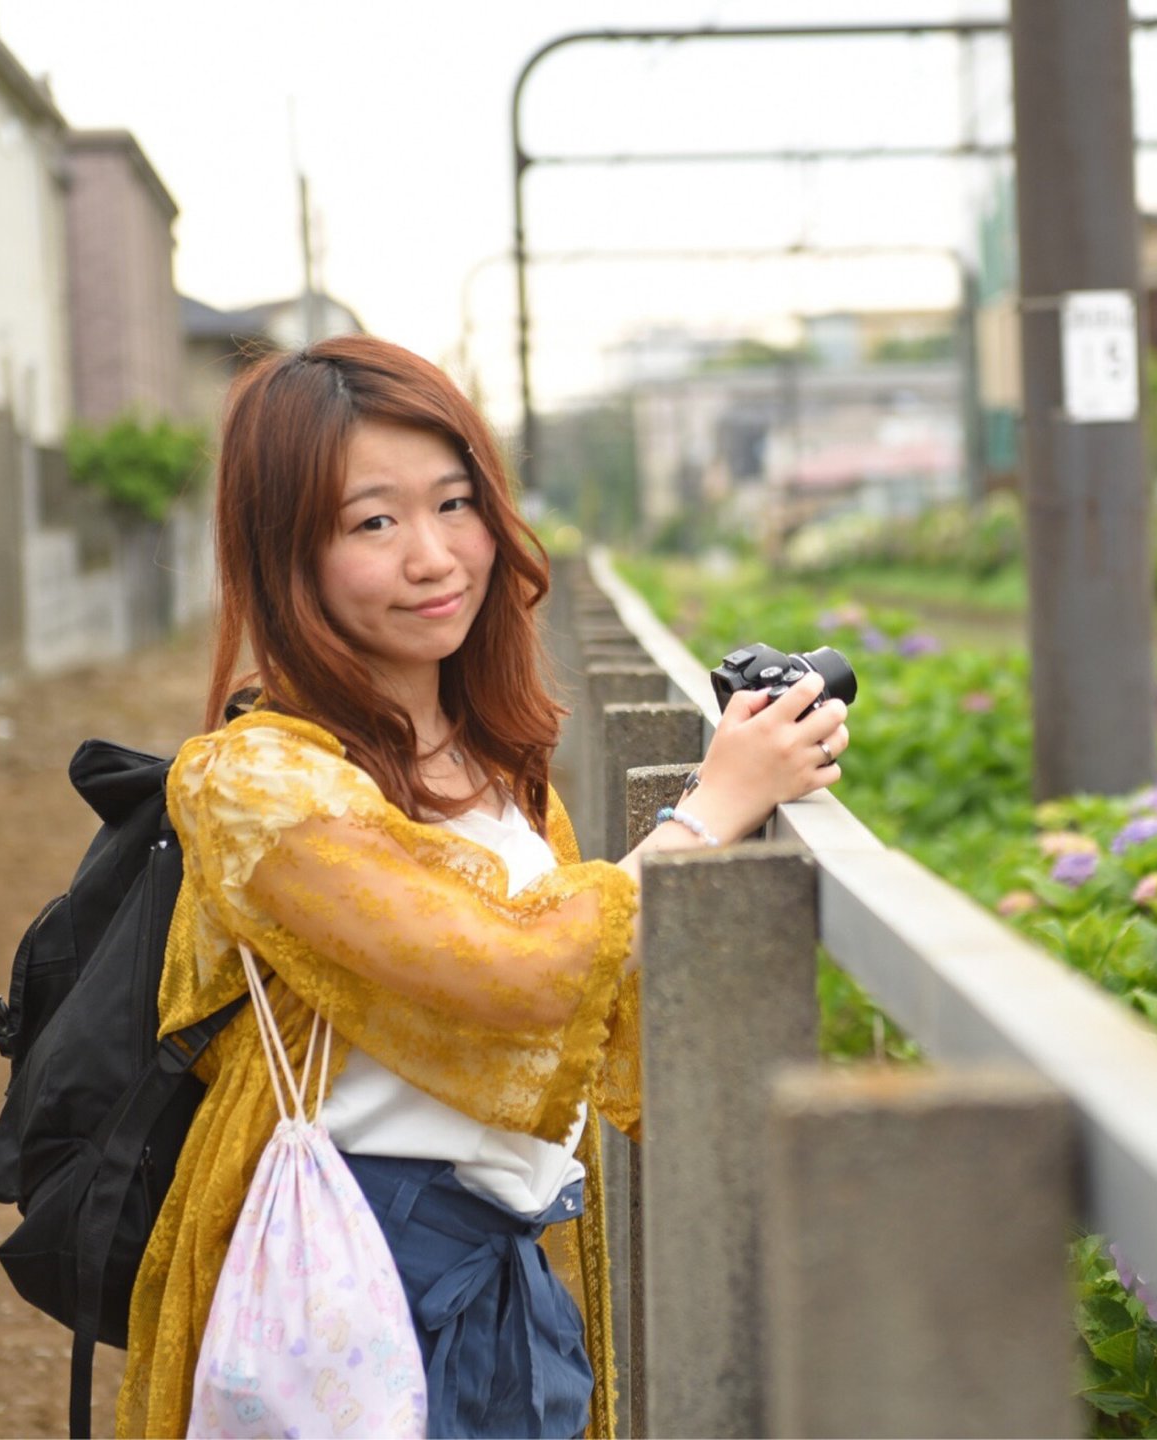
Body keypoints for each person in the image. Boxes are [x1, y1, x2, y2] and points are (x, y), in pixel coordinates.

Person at [115, 335, 849, 1438]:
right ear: (286, 555)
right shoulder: (258, 783)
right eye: (374, 522)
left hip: (504, 1266)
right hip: (360, 1272)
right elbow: (521, 972)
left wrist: (734, 803)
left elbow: (597, 994)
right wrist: (709, 812)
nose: (434, 556)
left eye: (455, 503)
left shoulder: (489, 759)